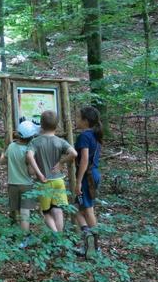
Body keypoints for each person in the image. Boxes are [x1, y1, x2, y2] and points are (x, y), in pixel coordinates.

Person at [26, 110, 77, 233]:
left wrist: (39, 173)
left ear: (41, 124)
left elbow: (29, 156)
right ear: (56, 125)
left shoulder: (35, 142)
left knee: (46, 212)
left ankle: (55, 234)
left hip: (44, 182)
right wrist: (61, 162)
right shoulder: (60, 141)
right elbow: (74, 153)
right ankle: (60, 237)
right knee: (58, 210)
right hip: (58, 180)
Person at [0, 120, 39, 232]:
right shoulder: (29, 151)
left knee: (15, 210)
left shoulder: (11, 146)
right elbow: (31, 172)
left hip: (12, 183)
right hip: (26, 184)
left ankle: (15, 232)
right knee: (25, 211)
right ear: (31, 137)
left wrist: (3, 152)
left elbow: (2, 161)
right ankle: (24, 236)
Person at [75, 106, 103, 256]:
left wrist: (78, 181)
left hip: (87, 177)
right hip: (94, 174)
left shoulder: (85, 136)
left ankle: (93, 244)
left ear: (85, 121)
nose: (76, 120)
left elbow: (84, 159)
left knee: (84, 210)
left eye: (78, 117)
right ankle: (91, 244)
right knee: (82, 209)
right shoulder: (95, 134)